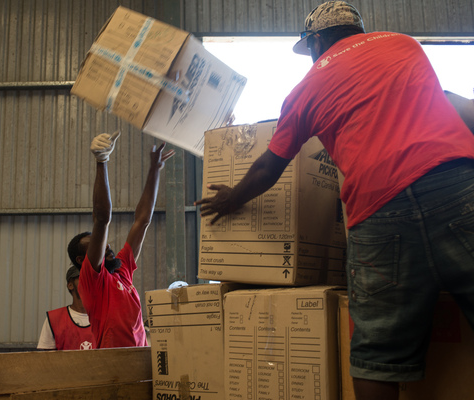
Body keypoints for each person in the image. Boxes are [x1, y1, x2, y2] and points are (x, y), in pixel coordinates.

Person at [194, 2, 474, 400]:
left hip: (378, 210)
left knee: (377, 351)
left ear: (317, 41)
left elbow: (268, 169)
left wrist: (230, 200)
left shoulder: (305, 90)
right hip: (457, 184)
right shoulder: (404, 45)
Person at [69, 131, 175, 349]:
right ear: (82, 260)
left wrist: (154, 171)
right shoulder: (92, 280)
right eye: (94, 243)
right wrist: (102, 161)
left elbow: (143, 220)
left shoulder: (122, 270)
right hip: (114, 366)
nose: (106, 244)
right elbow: (102, 218)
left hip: (141, 359)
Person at [37, 265, 95, 350]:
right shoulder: (54, 319)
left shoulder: (105, 319)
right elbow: (45, 359)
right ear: (70, 285)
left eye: (91, 279)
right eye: (83, 278)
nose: (88, 282)